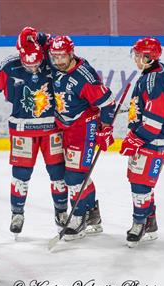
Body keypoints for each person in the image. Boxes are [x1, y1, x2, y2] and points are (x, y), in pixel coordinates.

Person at [0, 27, 68, 236]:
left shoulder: (51, 60)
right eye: (28, 63)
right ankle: (17, 213)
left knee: (58, 173)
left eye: (36, 62)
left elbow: (70, 66)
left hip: (52, 128)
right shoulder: (9, 67)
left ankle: (61, 212)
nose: (33, 67)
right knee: (21, 175)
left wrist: (46, 38)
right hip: (22, 129)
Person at [47, 35, 117, 241]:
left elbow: (108, 102)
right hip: (65, 128)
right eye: (55, 56)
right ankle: (93, 215)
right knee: (79, 175)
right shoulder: (57, 70)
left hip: (84, 129)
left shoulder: (85, 77)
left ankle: (78, 219)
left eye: (62, 56)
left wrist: (105, 129)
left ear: (71, 54)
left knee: (75, 177)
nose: (58, 61)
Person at [119, 37, 164, 247]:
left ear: (149, 57)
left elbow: (156, 119)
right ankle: (150, 224)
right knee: (140, 181)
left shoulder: (153, 80)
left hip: (152, 140)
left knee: (140, 184)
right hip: (149, 138)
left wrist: (137, 137)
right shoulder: (157, 72)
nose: (136, 58)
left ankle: (139, 224)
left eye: (140, 55)